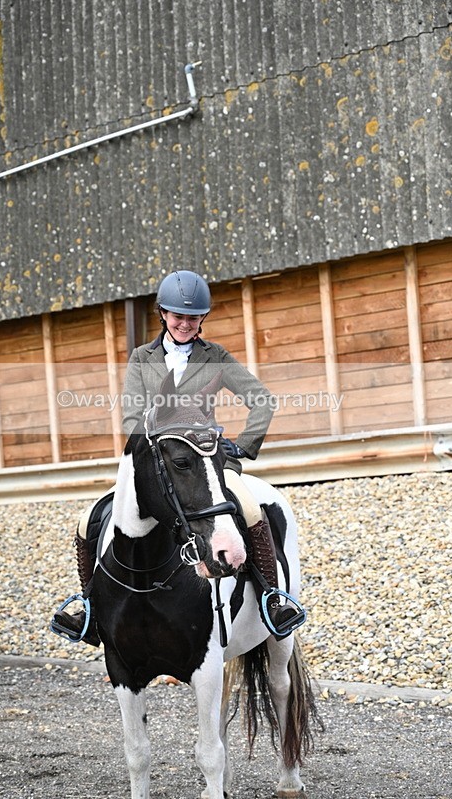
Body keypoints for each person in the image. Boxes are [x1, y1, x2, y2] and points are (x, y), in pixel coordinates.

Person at [52, 270, 298, 646]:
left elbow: (262, 400)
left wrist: (241, 446)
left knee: (250, 509)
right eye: (178, 316)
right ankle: (89, 608)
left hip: (206, 463)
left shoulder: (216, 357)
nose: (185, 324)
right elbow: (131, 419)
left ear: (203, 319)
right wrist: (158, 431)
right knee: (90, 520)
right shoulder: (142, 358)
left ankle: (272, 600)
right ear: (163, 314)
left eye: (193, 317)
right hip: (154, 464)